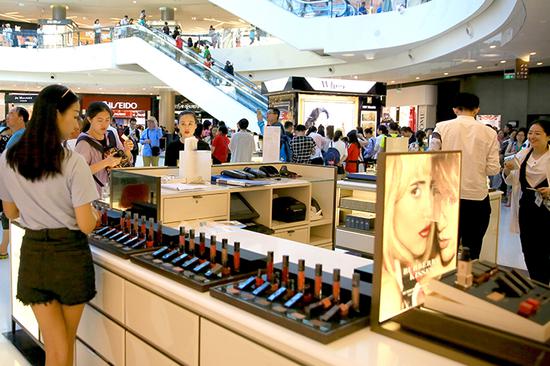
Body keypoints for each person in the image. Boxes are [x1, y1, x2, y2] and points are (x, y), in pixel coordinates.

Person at [0, 84, 99, 366]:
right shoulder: (73, 162)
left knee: (57, 344)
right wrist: (95, 216)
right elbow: (86, 224)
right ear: (57, 114)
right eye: (75, 114)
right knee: (64, 342)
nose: (77, 122)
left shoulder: (8, 158)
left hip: (34, 254)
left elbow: (11, 211)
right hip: (70, 255)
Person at [429, 92, 500, 260]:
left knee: (445, 250)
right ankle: (466, 281)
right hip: (477, 198)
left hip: (446, 196)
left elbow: (431, 157)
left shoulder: (441, 127)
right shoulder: (489, 133)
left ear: (455, 109)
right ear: (477, 110)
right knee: (472, 249)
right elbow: (493, 169)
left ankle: (443, 284)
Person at [379, 154, 434, 322]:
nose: (429, 208)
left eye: (433, 190)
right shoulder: (389, 291)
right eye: (415, 191)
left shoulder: (418, 271)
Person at [503, 120, 550, 284]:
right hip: (527, 209)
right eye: (530, 133)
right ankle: (537, 282)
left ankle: (544, 283)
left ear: (548, 136)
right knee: (528, 248)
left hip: (547, 211)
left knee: (544, 250)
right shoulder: (522, 155)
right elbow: (510, 180)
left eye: (537, 133)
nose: (532, 136)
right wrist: (507, 169)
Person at [75, 102, 133, 194]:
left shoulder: (112, 135)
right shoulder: (84, 142)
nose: (104, 124)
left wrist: (127, 150)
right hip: (93, 195)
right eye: (100, 120)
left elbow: (126, 160)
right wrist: (106, 162)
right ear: (90, 119)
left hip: (115, 191)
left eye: (107, 120)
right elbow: (79, 173)